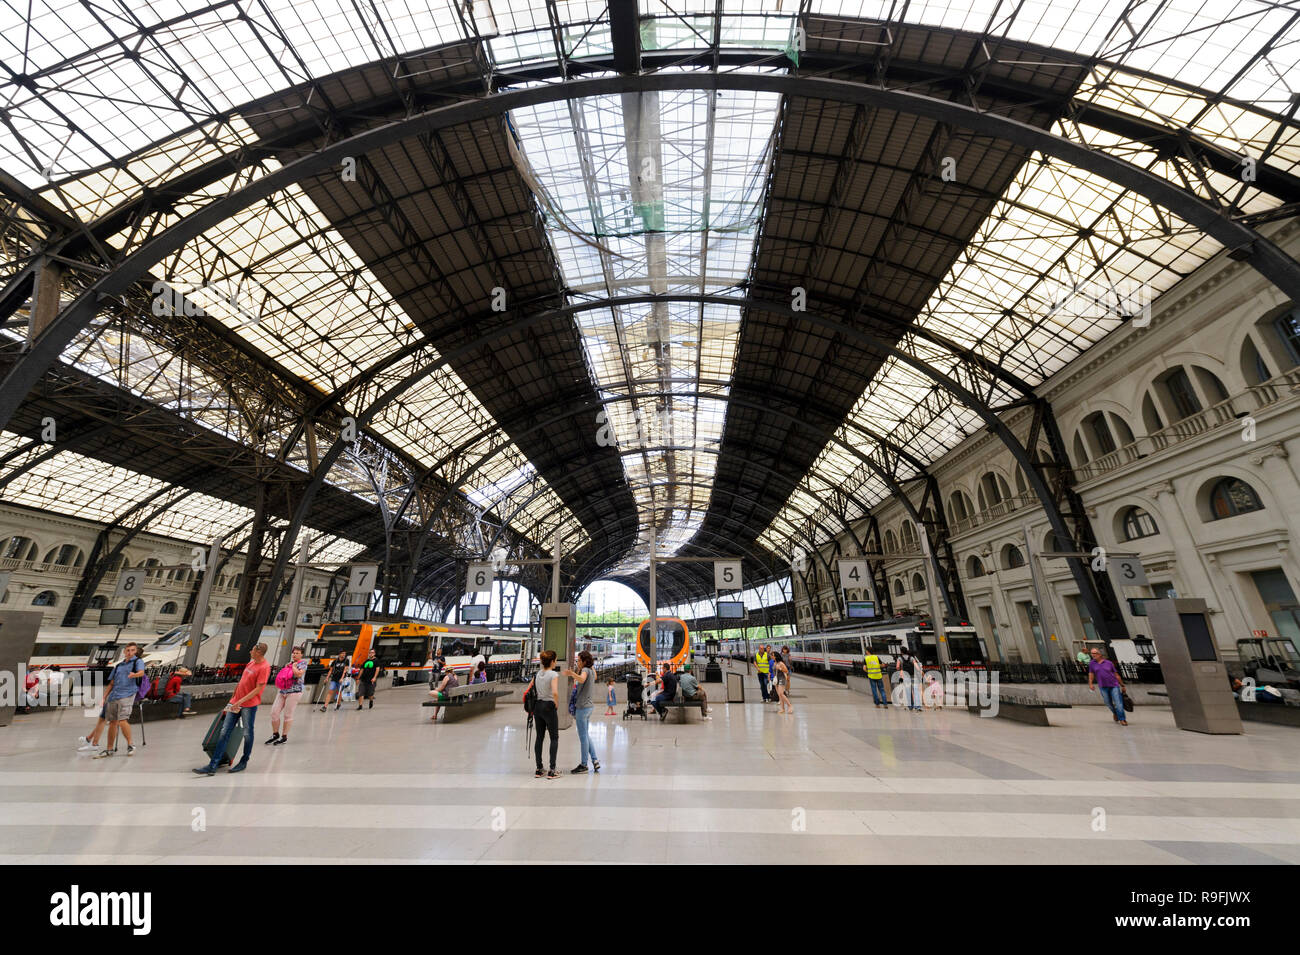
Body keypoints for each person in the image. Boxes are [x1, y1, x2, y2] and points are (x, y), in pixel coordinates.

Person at [193, 643, 271, 775]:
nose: (250, 652)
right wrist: (232, 701)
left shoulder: (264, 667)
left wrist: (241, 701)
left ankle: (243, 761)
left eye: (252, 650)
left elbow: (258, 689)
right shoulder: (250, 664)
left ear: (258, 652)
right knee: (224, 732)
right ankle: (213, 765)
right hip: (235, 703)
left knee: (247, 733)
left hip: (248, 706)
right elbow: (241, 682)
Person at [92, 642, 146, 759]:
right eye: (128, 650)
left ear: (135, 651)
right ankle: (109, 749)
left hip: (127, 695)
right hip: (114, 696)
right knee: (112, 722)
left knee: (122, 720)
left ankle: (131, 745)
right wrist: (104, 697)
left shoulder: (138, 662)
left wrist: (134, 675)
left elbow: (141, 672)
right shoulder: (119, 666)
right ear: (124, 651)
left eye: (132, 650)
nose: (130, 652)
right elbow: (111, 683)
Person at [562, 650, 599, 773]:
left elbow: (582, 680)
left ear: (584, 661)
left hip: (582, 708)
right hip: (589, 707)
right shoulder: (592, 671)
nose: (577, 662)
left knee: (583, 737)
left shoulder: (584, 671)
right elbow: (592, 677)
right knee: (586, 735)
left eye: (579, 660)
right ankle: (595, 760)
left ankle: (584, 765)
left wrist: (571, 673)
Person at [267, 646, 309, 745]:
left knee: (287, 715)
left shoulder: (303, 663)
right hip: (283, 691)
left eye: (297, 653)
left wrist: (294, 666)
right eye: (294, 653)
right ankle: (275, 734)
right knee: (274, 712)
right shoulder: (288, 664)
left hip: (294, 692)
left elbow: (299, 674)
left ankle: (284, 736)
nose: (294, 655)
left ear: (301, 655)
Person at [530, 649, 561, 779]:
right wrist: (557, 703)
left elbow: (531, 687)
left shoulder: (538, 674)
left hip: (538, 706)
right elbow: (554, 692)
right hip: (549, 706)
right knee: (554, 737)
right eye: (556, 660)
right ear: (552, 661)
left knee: (539, 737)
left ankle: (539, 768)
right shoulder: (553, 674)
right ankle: (552, 770)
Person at [1087, 647, 1128, 725]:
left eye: (1094, 653)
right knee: (1108, 703)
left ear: (1099, 654)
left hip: (1114, 685)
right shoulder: (1092, 663)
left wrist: (1122, 685)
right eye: (1092, 653)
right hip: (1103, 686)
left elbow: (1116, 675)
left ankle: (1122, 719)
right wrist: (1090, 683)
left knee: (1118, 702)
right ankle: (1115, 713)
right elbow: (1091, 674)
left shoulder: (1109, 663)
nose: (1093, 655)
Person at [894, 646, 923, 712]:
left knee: (908, 692)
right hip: (913, 676)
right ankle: (918, 706)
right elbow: (916, 666)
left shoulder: (899, 658)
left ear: (901, 652)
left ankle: (910, 706)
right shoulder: (911, 658)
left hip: (906, 677)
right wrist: (919, 672)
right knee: (916, 691)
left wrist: (901, 669)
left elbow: (897, 667)